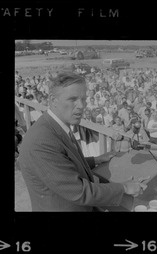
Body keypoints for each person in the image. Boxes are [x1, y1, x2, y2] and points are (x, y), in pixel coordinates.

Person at [18, 72, 147, 211]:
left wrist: (95, 160)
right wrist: (125, 187)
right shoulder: (41, 141)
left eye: (83, 99)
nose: (81, 105)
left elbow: (62, 162)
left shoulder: (56, 126)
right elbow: (79, 192)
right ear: (53, 100)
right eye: (72, 99)